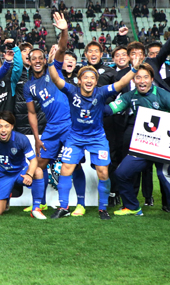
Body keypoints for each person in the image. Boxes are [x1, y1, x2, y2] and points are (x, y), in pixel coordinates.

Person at [48, 13, 142, 220]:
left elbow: (120, 83)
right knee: (66, 168)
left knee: (103, 172)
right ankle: (63, 207)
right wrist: (49, 64)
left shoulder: (101, 92)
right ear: (80, 81)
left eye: (92, 78)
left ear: (95, 81)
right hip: (75, 136)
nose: (89, 80)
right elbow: (56, 79)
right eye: (85, 78)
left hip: (98, 137)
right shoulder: (72, 91)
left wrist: (134, 69)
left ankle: (102, 208)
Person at [24, 44, 86, 215]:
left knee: (76, 164)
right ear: (29, 62)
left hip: (69, 124)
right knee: (40, 164)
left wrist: (63, 30)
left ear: (45, 60)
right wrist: (37, 138)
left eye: (40, 57)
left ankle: (81, 204)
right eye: (33, 58)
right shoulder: (28, 86)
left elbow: (63, 47)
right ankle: (41, 203)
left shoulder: (54, 69)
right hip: (51, 128)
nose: (37, 60)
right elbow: (31, 112)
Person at [108, 63, 170, 216]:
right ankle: (132, 206)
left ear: (151, 79)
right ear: (133, 80)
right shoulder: (130, 95)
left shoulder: (163, 95)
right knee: (121, 173)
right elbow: (111, 109)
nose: (142, 81)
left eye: (145, 77)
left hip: (163, 146)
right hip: (144, 145)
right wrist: (91, 104)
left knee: (164, 175)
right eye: (138, 77)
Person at [0, 111, 46, 219]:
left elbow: (34, 160)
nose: (3, 130)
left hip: (20, 172)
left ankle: (36, 208)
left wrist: (29, 174)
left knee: (38, 171)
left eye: (7, 126)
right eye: (0, 126)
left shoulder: (21, 139)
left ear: (12, 126)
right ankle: (6, 196)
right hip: (2, 175)